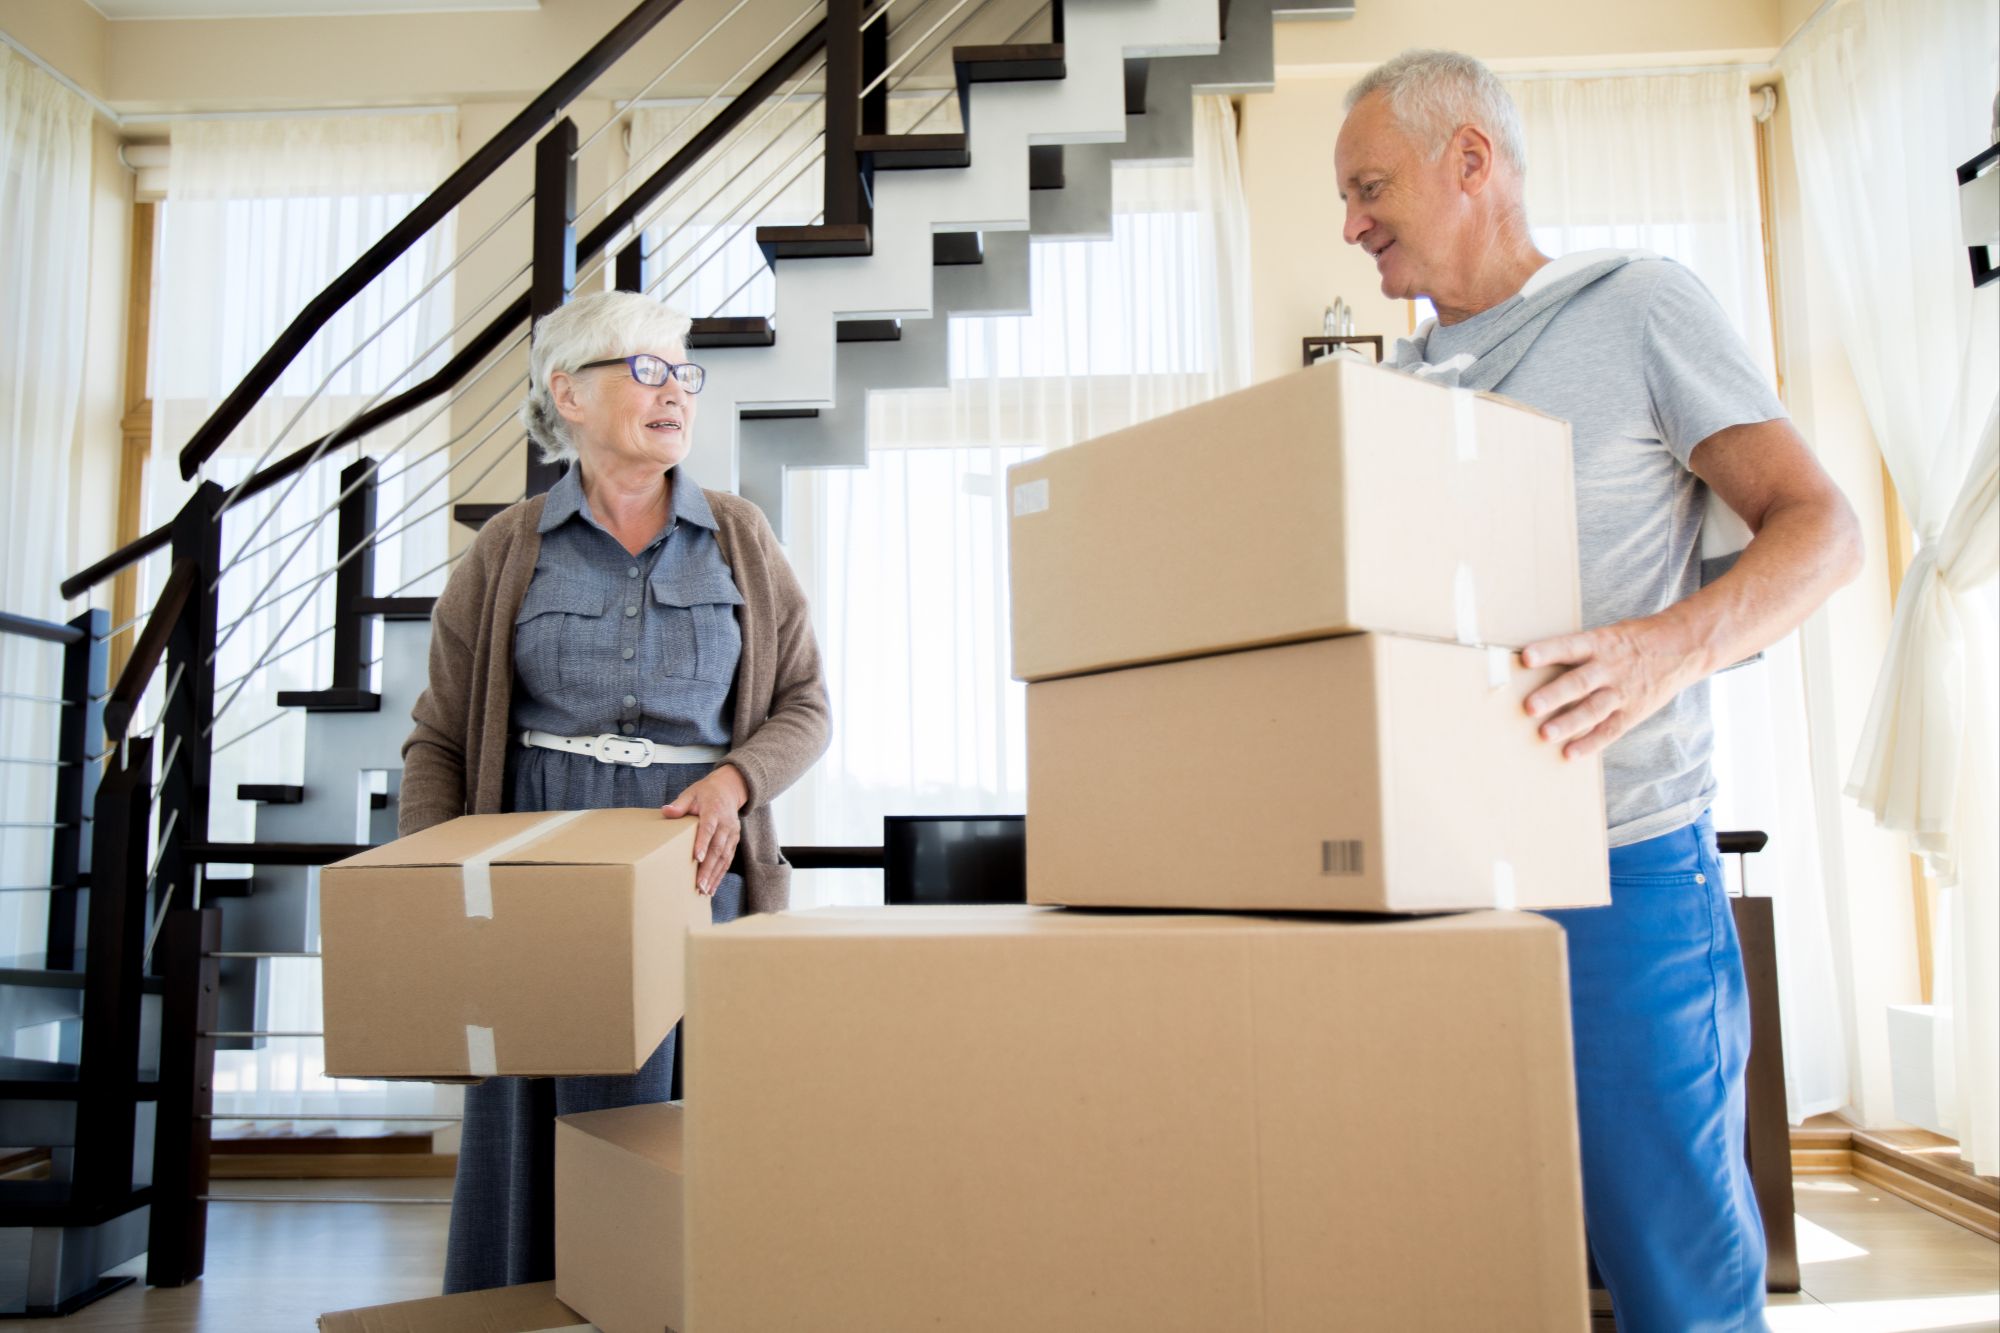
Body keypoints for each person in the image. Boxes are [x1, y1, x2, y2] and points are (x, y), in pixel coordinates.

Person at [1335, 50, 1862, 1332]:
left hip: (1617, 872)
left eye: (1367, 187)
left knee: (1671, 1274)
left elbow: (1822, 529)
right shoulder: (1391, 391)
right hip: (1432, 888)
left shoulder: (1637, 309)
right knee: (1467, 1258)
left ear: (1469, 161)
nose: (1350, 226)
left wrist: (1662, 648)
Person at [397, 288, 830, 1293]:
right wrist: (431, 882)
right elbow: (438, 737)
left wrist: (733, 781)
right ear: (569, 395)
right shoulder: (507, 547)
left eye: (682, 370)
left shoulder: (738, 535)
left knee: (667, 1125)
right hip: (532, 872)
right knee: (531, 1126)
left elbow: (804, 703)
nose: (673, 389)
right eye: (644, 368)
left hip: (692, 866)